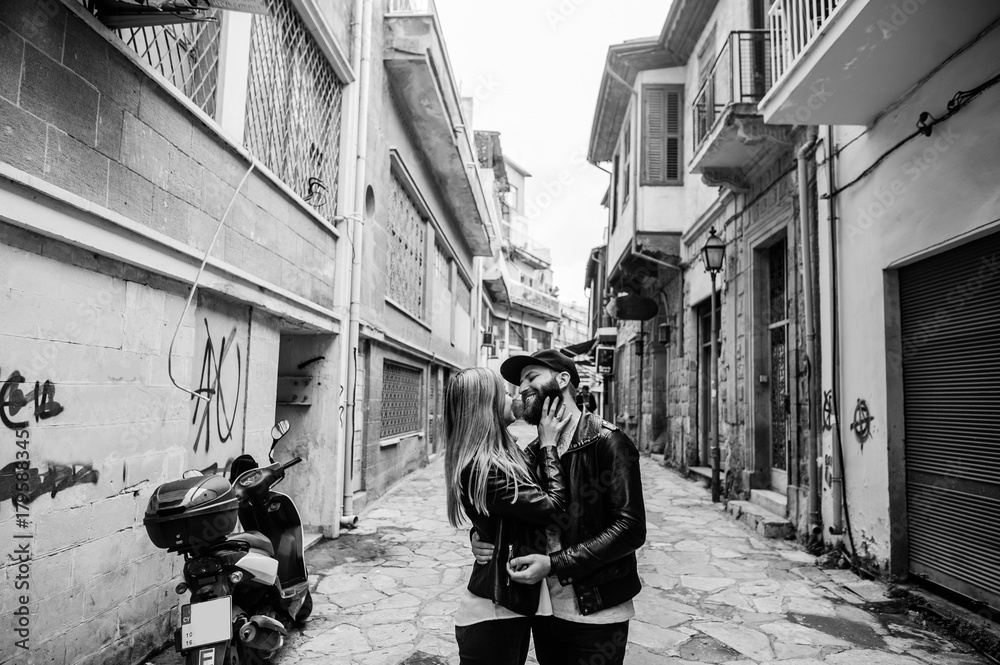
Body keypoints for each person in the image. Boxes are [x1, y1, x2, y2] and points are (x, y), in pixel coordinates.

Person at [472, 349, 646, 665]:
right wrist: (479, 533)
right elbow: (512, 503)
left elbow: (631, 529)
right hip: (544, 608)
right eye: (519, 381)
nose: (521, 388)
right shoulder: (536, 449)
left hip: (597, 611)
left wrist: (554, 564)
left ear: (563, 379)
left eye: (531, 376)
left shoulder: (608, 441)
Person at [444, 367, 572, 665]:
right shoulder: (485, 467)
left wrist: (479, 534)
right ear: (486, 404)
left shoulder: (499, 454)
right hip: (490, 617)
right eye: (503, 391)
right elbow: (554, 508)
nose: (512, 395)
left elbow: (504, 512)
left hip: (503, 612)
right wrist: (550, 445)